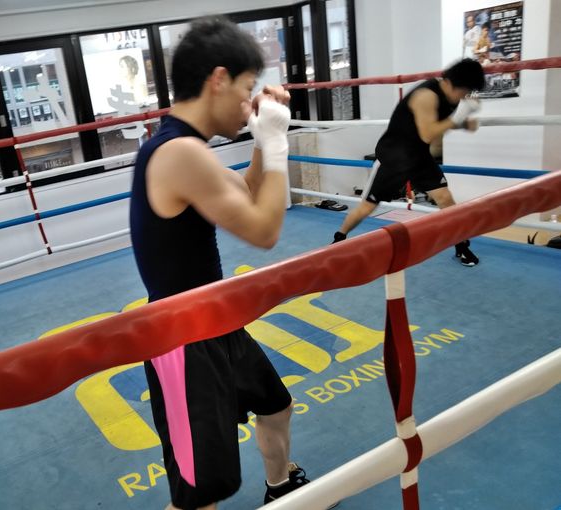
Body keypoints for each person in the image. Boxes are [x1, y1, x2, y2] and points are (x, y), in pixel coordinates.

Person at [130, 16, 323, 509]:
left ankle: (279, 487)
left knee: (276, 406)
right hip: (183, 340)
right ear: (217, 79)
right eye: (243, 89)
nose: (246, 103)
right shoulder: (179, 153)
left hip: (218, 321)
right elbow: (264, 230)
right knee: (200, 494)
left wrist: (262, 141)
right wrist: (279, 145)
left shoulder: (184, 146)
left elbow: (253, 193)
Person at [332, 58, 486, 266]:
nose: (464, 96)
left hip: (418, 155)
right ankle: (338, 240)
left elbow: (437, 127)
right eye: (464, 91)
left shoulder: (453, 98)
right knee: (368, 206)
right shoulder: (426, 96)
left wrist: (464, 124)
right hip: (396, 156)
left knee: (445, 199)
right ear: (451, 83)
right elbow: (428, 133)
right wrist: (459, 119)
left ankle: (461, 247)